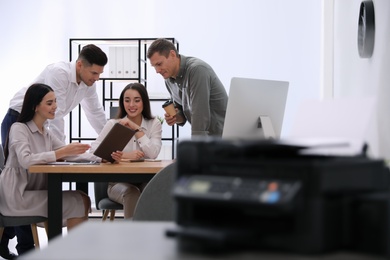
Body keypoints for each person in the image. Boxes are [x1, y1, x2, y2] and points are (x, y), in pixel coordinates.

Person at [0, 44, 107, 259]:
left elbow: (95, 114)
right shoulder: (58, 73)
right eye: (94, 72)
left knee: (79, 198)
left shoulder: (88, 84)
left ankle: (63, 252)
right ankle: (26, 251)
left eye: (99, 74)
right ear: (79, 65)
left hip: (42, 127)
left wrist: (104, 150)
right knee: (26, 178)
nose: (97, 78)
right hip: (19, 117)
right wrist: (61, 151)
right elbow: (54, 119)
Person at [90, 83, 162, 219]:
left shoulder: (154, 124)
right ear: (122, 103)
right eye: (127, 100)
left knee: (155, 191)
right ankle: (132, 238)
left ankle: (153, 236)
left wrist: (137, 129)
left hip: (145, 180)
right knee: (132, 192)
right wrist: (125, 156)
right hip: (117, 183)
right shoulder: (113, 124)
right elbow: (94, 151)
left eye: (137, 100)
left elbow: (153, 154)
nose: (131, 105)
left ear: (144, 102)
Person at [147, 38, 228, 137]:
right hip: (209, 140)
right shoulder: (169, 80)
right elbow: (181, 111)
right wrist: (176, 117)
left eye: (159, 64)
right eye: (154, 66)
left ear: (172, 55)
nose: (157, 71)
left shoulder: (197, 70)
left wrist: (196, 149)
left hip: (225, 138)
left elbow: (200, 118)